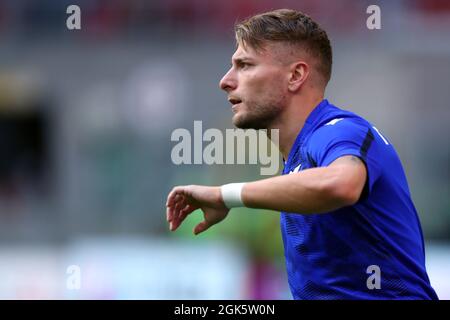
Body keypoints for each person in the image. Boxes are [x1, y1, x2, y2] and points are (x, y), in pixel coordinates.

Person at [166, 9, 438, 300]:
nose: (225, 80)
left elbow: (341, 184)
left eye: (244, 65)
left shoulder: (340, 131)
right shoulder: (298, 161)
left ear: (295, 76)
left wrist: (226, 196)